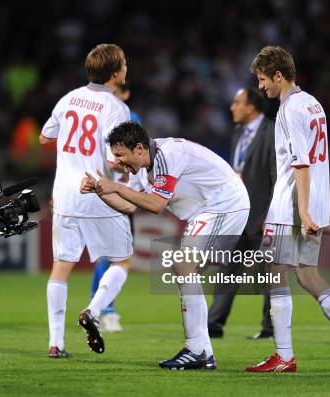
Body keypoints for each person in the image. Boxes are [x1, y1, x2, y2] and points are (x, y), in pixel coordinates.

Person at [81, 121, 250, 370]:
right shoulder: (143, 166)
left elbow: (155, 205)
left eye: (120, 155)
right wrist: (100, 191)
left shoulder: (167, 155)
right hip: (208, 209)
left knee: (183, 267)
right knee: (184, 273)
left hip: (224, 204)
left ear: (139, 148)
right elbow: (129, 206)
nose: (117, 162)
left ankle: (197, 350)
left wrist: (114, 186)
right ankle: (203, 353)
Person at [246, 46, 330, 372]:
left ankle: (284, 356)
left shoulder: (288, 110)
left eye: (262, 79)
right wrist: (311, 208)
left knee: (276, 273)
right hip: (317, 201)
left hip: (293, 205)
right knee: (307, 274)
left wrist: (301, 211)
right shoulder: (313, 103)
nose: (261, 87)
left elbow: (300, 163)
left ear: (278, 75)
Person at [39, 43, 133, 358]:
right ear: (117, 72)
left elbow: (44, 137)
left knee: (61, 266)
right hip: (97, 193)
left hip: (64, 194)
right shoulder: (115, 107)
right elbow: (114, 156)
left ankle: (56, 343)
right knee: (122, 261)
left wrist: (71, 145)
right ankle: (93, 311)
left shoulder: (68, 99)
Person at [208, 87, 276, 340]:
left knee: (270, 274)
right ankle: (213, 325)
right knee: (228, 270)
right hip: (238, 215)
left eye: (237, 102)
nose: (232, 107)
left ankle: (270, 329)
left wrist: (271, 213)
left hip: (264, 216)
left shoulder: (273, 132)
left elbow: (277, 176)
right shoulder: (238, 133)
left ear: (251, 107)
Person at [90, 81, 140, 334]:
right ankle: (103, 310)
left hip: (124, 193)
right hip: (104, 191)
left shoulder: (131, 120)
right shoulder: (98, 115)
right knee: (113, 256)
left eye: (116, 93)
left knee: (116, 255)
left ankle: (100, 308)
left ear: (125, 93)